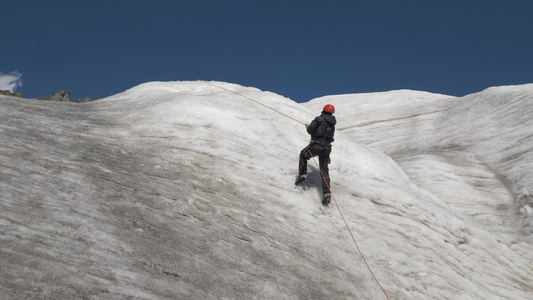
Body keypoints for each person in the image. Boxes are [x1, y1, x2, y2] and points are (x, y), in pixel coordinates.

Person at [295, 104, 336, 205]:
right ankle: (327, 193)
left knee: (303, 154)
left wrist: (308, 127)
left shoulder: (319, 118)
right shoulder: (333, 124)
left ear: (323, 110)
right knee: (324, 169)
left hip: (317, 144)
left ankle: (303, 175)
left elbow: (310, 130)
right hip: (327, 148)